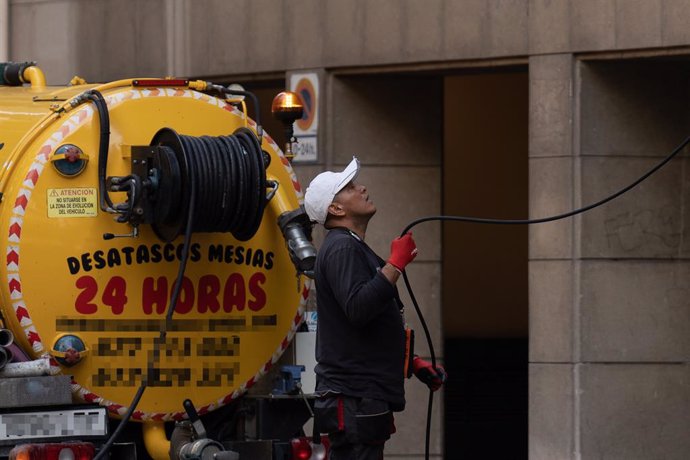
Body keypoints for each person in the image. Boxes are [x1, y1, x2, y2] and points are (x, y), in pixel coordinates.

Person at [303, 157, 446, 460]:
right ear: (336, 209)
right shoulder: (342, 246)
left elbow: (364, 325)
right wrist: (395, 264)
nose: (362, 188)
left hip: (359, 398)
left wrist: (411, 362)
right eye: (351, 187)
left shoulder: (349, 245)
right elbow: (358, 307)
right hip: (356, 397)